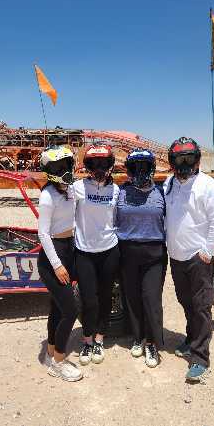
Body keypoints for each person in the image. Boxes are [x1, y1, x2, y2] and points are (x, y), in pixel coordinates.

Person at [163, 137, 214, 382]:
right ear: (172, 162)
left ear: (197, 160)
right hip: (176, 255)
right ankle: (191, 339)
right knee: (185, 301)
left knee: (201, 306)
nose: (184, 164)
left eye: (188, 158)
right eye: (179, 159)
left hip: (198, 257)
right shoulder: (169, 184)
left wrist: (208, 250)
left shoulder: (208, 186)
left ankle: (200, 357)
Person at [115, 149, 167, 368]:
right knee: (132, 298)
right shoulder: (120, 192)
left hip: (154, 253)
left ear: (151, 168)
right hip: (126, 252)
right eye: (136, 167)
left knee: (151, 299)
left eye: (144, 167)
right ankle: (138, 337)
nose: (140, 171)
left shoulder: (162, 192)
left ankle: (152, 342)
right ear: (129, 170)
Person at [37, 145, 83, 382]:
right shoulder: (47, 195)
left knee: (57, 308)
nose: (64, 171)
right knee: (71, 310)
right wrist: (57, 264)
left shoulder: (70, 189)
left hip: (68, 248)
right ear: (49, 171)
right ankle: (58, 362)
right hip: (52, 256)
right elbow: (43, 234)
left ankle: (50, 352)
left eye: (66, 165)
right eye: (58, 167)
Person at [73, 144, 120, 365]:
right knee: (88, 300)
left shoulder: (116, 190)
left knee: (105, 297)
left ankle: (99, 339)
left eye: (103, 163)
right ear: (87, 166)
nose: (99, 168)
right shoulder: (77, 188)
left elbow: (118, 218)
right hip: (84, 252)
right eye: (94, 164)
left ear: (110, 165)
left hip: (109, 250)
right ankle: (87, 340)